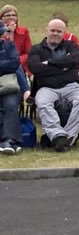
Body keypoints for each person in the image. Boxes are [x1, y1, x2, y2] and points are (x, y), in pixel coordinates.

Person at [30, 19, 79, 151]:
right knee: (43, 103)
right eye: (52, 30)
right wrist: (63, 66)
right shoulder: (36, 49)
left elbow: (75, 59)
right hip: (46, 87)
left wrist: (48, 63)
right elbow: (36, 69)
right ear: (47, 31)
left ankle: (68, 137)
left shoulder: (71, 45)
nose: (55, 33)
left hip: (71, 85)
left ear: (64, 33)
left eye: (59, 31)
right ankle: (58, 135)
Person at [0, 23, 26, 154]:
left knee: (10, 105)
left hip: (10, 86)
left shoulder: (9, 45)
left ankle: (11, 141)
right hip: (7, 79)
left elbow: (15, 63)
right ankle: (4, 140)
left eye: (2, 33)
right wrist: (5, 65)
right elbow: (9, 64)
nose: (2, 36)